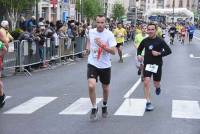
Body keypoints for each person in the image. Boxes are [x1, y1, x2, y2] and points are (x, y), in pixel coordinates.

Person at [86, 15, 116, 120]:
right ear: (95, 22)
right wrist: (87, 48)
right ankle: (94, 107)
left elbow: (113, 51)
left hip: (105, 65)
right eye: (98, 22)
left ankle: (104, 105)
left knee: (105, 88)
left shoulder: (109, 34)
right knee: (91, 85)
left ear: (105, 23)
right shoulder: (91, 32)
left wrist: (102, 46)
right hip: (93, 62)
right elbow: (89, 41)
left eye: (102, 23)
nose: (99, 25)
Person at [137, 23, 172, 111]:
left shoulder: (160, 40)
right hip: (147, 64)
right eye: (149, 29)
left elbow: (169, 51)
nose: (150, 31)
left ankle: (158, 87)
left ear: (155, 30)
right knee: (146, 82)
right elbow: (139, 49)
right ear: (147, 30)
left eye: (152, 29)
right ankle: (148, 102)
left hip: (157, 64)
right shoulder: (145, 41)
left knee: (156, 83)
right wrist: (139, 55)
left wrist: (159, 53)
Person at [0, 20, 13, 108]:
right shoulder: (2, 31)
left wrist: (0, 57)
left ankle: (1, 96)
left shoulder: (5, 32)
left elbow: (5, 46)